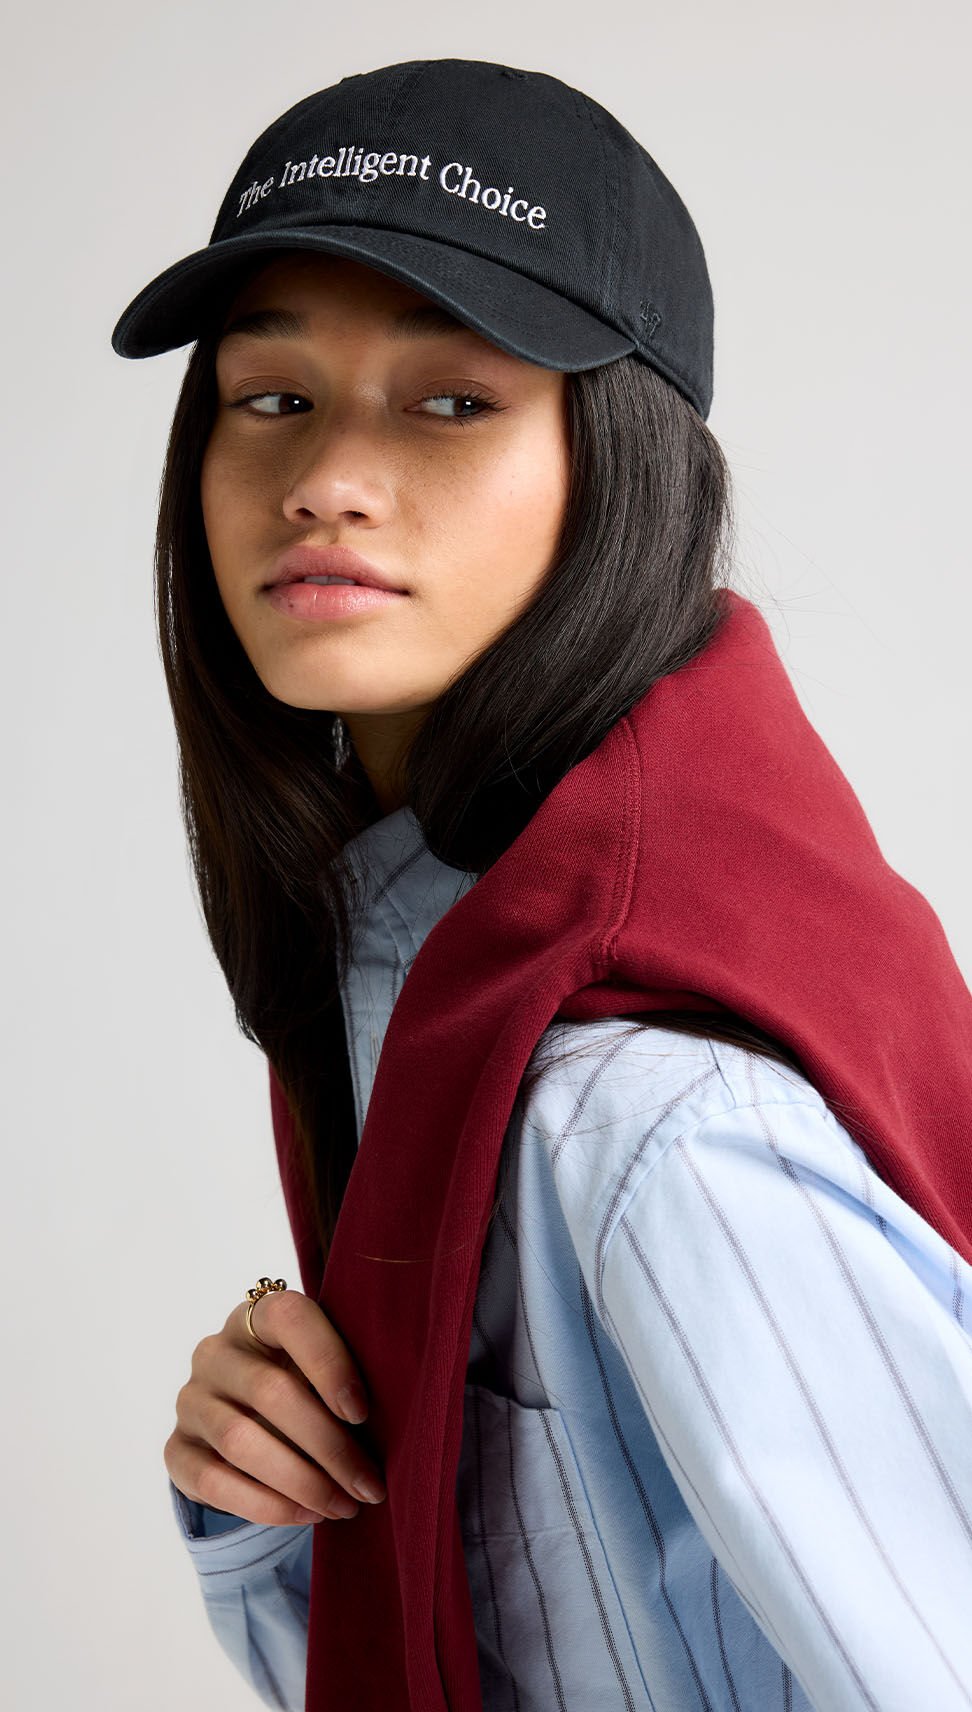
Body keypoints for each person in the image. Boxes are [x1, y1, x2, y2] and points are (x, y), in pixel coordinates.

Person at [112, 58, 972, 1712]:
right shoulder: (430, 970)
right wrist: (264, 1505)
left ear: (618, 468)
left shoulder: (651, 1120)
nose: (326, 480)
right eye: (270, 397)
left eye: (451, 403)